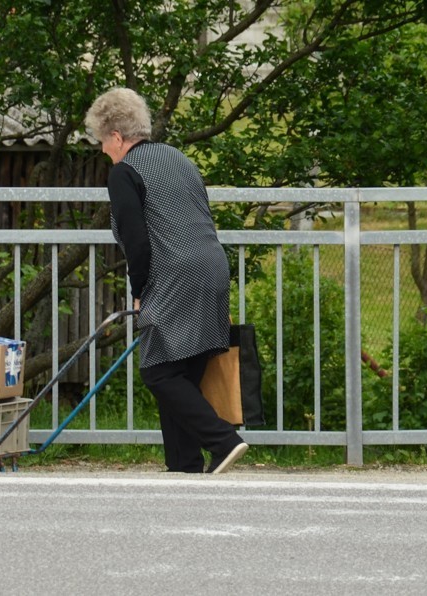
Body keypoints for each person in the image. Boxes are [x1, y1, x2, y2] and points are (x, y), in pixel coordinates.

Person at [85, 87, 248, 474]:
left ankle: (223, 441)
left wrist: (139, 291)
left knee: (157, 371)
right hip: (211, 267)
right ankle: (184, 468)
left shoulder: (124, 172)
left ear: (117, 137)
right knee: (184, 370)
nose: (103, 151)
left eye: (102, 142)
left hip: (175, 273)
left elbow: (137, 243)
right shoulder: (178, 158)